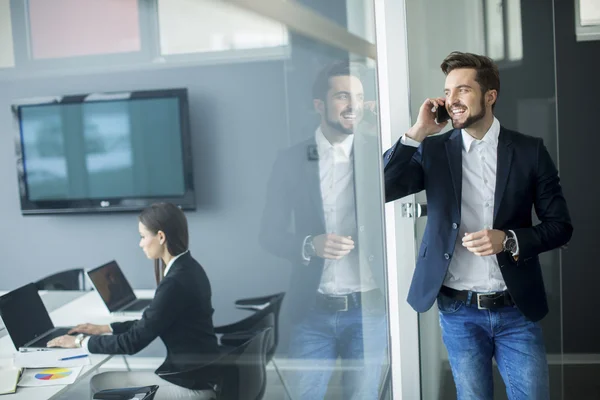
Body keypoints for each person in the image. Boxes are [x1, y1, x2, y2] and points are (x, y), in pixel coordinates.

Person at [384, 51, 573, 399]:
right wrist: (419, 131)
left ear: (490, 96)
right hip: (458, 310)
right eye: (447, 90)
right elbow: (380, 186)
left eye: (463, 90)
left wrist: (510, 239)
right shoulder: (434, 150)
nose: (451, 100)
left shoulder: (530, 151)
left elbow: (560, 226)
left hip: (516, 307)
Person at [260, 61, 387, 400]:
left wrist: (375, 129)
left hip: (367, 312)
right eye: (343, 96)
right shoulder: (290, 160)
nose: (353, 105)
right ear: (320, 105)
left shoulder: (377, 156)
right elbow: (269, 233)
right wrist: (308, 245)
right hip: (311, 313)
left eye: (359, 97)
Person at [48, 202, 220, 400]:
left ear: (161, 237)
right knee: (103, 381)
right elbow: (150, 323)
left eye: (143, 237)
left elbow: (133, 343)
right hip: (199, 374)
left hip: (192, 386)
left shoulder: (174, 283)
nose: (140, 243)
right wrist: (104, 328)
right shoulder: (189, 268)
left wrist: (79, 342)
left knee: (100, 383)